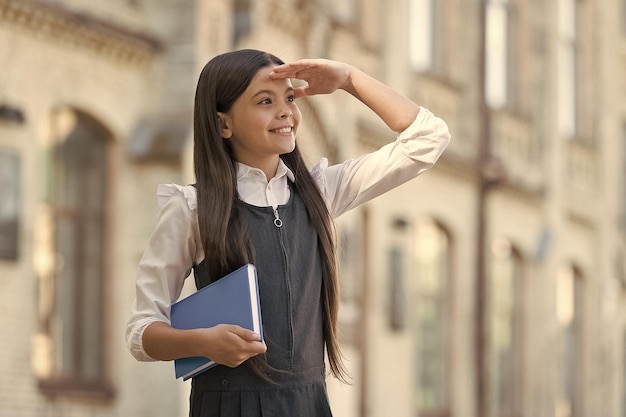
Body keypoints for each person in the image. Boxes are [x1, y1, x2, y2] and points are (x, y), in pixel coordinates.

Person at [126, 49, 450, 417]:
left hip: (308, 405)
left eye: (290, 98)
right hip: (228, 407)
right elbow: (141, 332)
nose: (286, 112)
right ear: (223, 124)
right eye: (266, 101)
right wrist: (202, 342)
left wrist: (349, 79)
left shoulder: (322, 192)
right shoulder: (192, 209)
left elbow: (429, 138)